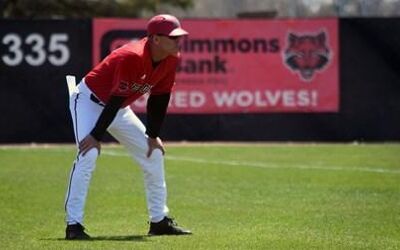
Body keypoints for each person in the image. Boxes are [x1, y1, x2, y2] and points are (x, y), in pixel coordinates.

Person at [64, 14, 192, 240]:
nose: (178, 41)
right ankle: (73, 225)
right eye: (173, 37)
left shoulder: (171, 58)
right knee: (89, 153)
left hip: (118, 107)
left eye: (179, 37)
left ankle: (159, 221)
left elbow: (159, 99)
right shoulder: (131, 56)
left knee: (153, 153)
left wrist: (152, 136)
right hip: (88, 101)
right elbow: (114, 99)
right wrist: (95, 136)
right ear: (155, 39)